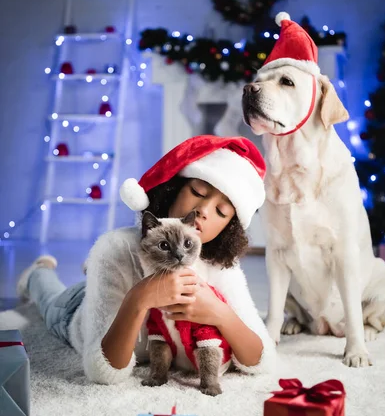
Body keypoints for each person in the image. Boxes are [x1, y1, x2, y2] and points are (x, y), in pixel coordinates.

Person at [17, 135, 276, 385]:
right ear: (174, 189)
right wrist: (138, 298)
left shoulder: (219, 265)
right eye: (198, 191)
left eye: (221, 211)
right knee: (49, 298)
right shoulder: (114, 247)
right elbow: (102, 371)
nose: (203, 211)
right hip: (74, 310)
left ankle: (88, 273)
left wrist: (221, 314)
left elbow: (263, 360)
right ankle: (38, 273)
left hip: (109, 283)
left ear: (227, 229)